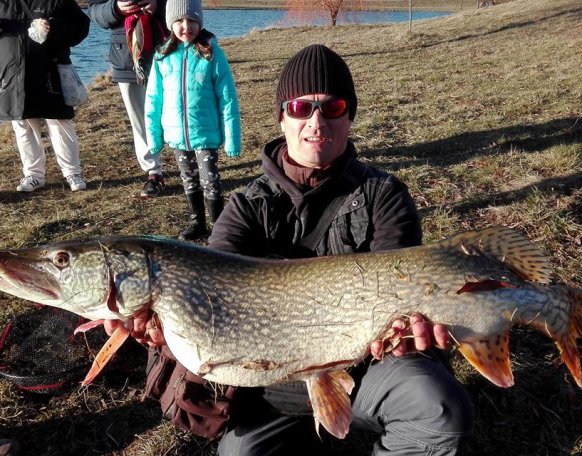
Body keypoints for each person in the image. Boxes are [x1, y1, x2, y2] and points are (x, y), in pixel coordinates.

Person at [107, 44, 474, 455]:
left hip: (370, 366)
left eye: (332, 107)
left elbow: (404, 288)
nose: (316, 121)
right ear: (283, 117)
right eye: (301, 107)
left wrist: (411, 327)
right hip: (272, 385)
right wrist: (161, 328)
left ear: (349, 116)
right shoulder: (246, 207)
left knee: (437, 410)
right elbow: (208, 293)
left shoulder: (382, 195)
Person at [144, 0, 241, 240]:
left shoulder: (211, 52)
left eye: (192, 20)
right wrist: (154, 136)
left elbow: (227, 97)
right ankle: (197, 222)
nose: (186, 26)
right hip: (177, 136)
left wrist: (232, 139)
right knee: (188, 179)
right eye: (179, 21)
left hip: (206, 134)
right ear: (170, 24)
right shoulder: (162, 56)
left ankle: (218, 228)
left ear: (200, 22)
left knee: (210, 180)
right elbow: (153, 100)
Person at [0, 0, 90, 192]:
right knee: (23, 124)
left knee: (59, 122)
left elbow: (81, 27)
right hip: (13, 72)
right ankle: (33, 175)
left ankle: (73, 172)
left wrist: (53, 27)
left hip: (51, 71)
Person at [87, 0, 168, 197]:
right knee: (139, 118)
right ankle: (154, 172)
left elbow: (186, 5)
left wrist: (159, 5)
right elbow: (95, 11)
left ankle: (193, 164)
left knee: (179, 110)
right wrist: (115, 8)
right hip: (126, 57)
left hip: (170, 49)